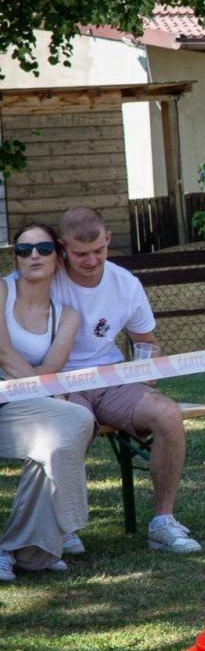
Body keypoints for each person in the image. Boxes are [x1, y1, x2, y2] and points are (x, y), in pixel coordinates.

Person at [53, 207, 199, 553]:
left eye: (98, 251)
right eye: (80, 254)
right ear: (62, 247)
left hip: (114, 379)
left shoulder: (125, 283)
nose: (91, 261)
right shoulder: (47, 277)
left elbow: (146, 342)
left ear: (107, 239)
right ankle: (63, 525)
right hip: (61, 381)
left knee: (168, 414)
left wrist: (146, 369)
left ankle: (163, 521)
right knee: (72, 424)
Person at [0, 223, 97, 578]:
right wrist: (42, 389)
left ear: (58, 256)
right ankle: (57, 532)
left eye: (43, 249)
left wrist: (41, 389)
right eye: (24, 251)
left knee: (69, 426)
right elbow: (4, 355)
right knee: (66, 425)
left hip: (19, 404)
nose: (34, 256)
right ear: (16, 259)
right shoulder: (1, 291)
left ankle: (16, 548)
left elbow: (52, 369)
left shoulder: (67, 316)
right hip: (11, 401)